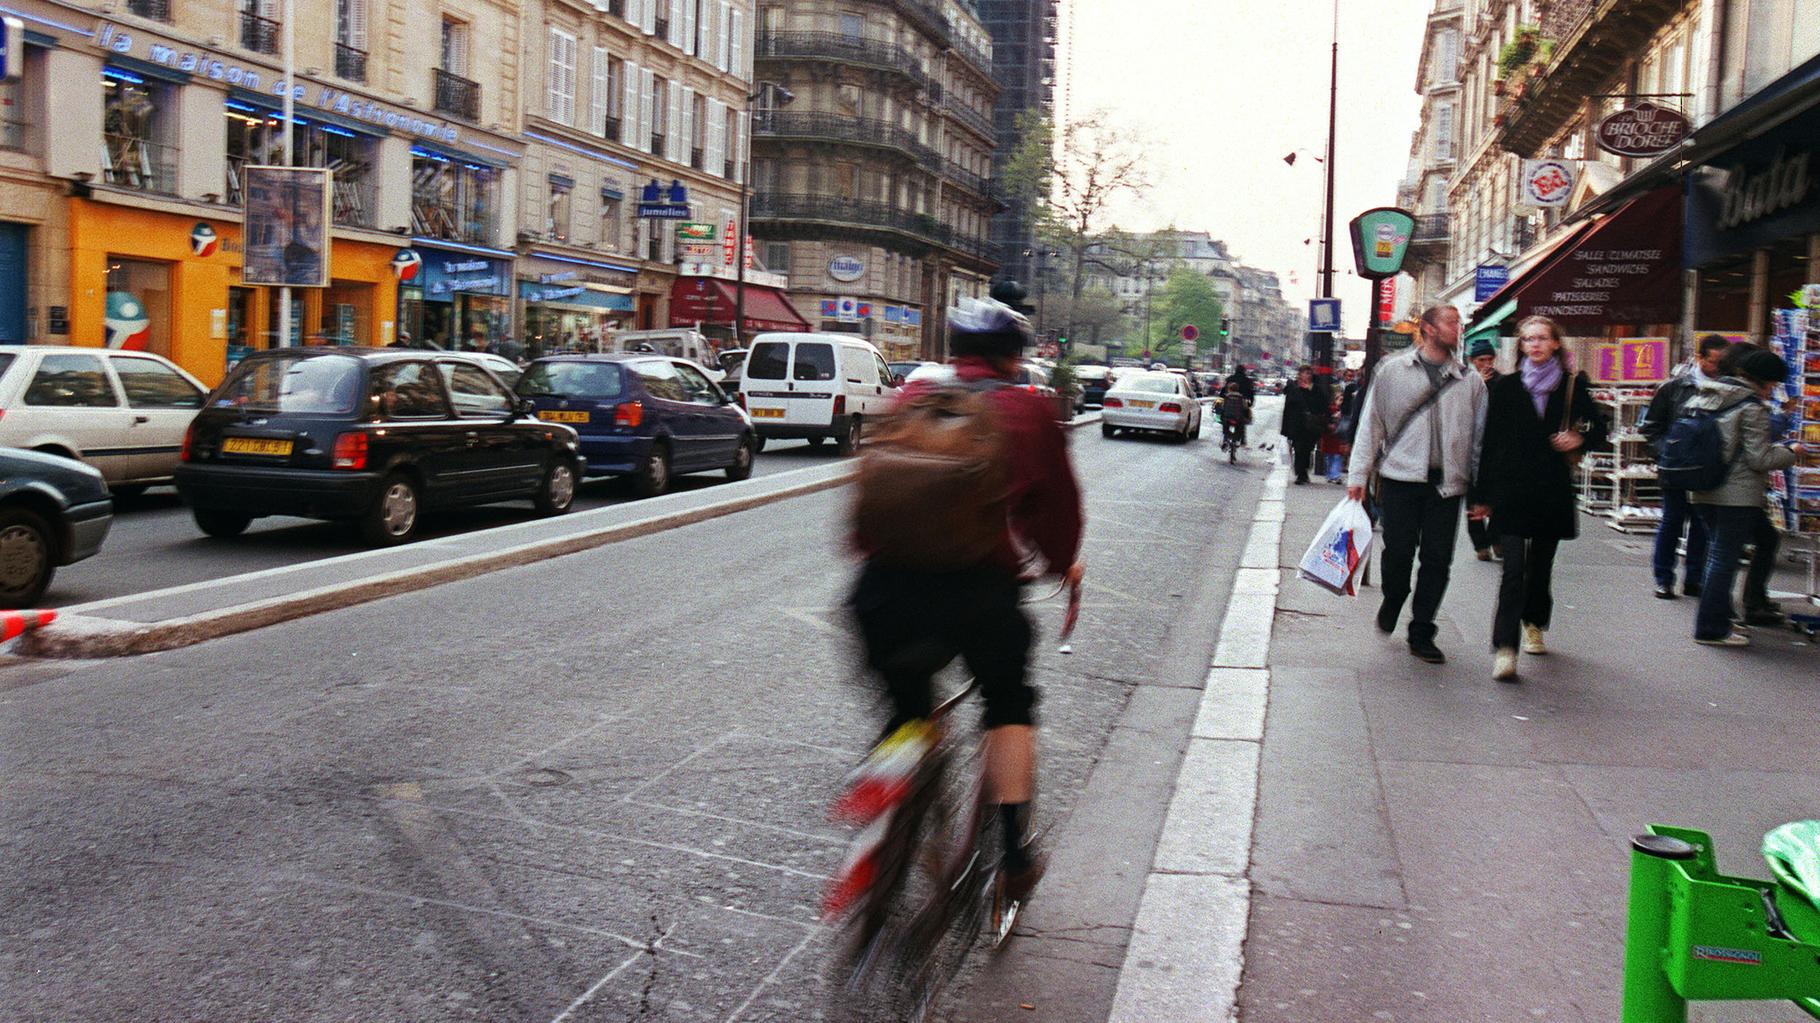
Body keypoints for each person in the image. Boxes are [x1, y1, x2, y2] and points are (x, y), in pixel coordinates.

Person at [847, 296, 1085, 901]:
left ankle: (889, 793)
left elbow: (864, 511)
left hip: (882, 592)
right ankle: (1013, 853)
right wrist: (1062, 566)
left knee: (907, 709)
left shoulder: (911, 402)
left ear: (956, 353)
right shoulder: (1029, 415)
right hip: (978, 593)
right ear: (1014, 358)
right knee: (1009, 703)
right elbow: (1058, 517)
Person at [1346, 304, 1489, 664]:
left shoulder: (1469, 379)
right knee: (1397, 553)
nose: (1459, 329)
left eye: (1459, 323)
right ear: (1427, 328)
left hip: (1447, 484)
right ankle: (1394, 596)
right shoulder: (1393, 371)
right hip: (1400, 478)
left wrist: (1479, 490)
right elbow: (1371, 425)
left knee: (1438, 560)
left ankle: (1422, 630)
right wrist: (1357, 477)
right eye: (1451, 322)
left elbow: (1479, 439)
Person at [1470, 315, 1608, 681]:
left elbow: (1601, 427)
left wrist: (1580, 440)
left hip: (1551, 489)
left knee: (1540, 566)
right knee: (1512, 569)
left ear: (1555, 344)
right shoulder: (1506, 388)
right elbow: (1489, 445)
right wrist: (1481, 496)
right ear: (1521, 346)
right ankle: (1505, 648)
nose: (1535, 345)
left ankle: (1534, 622)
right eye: (1528, 339)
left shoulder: (1572, 386)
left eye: (1542, 338)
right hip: (1512, 491)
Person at [1685, 346, 1799, 646]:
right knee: (1724, 560)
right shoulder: (1751, 407)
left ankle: (1720, 620)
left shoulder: (1709, 393)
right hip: (1735, 494)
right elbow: (1759, 459)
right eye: (1773, 384)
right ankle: (1711, 628)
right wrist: (1791, 453)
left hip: (1701, 487)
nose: (1772, 390)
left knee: (1717, 556)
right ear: (1765, 381)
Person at [1639, 334, 1729, 600]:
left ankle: (1694, 578)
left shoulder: (1727, 389)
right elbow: (1651, 427)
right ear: (1700, 358)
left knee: (1702, 527)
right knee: (1672, 522)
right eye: (1715, 362)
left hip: (1709, 470)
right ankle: (1663, 579)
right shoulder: (1674, 388)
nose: (1719, 368)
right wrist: (1667, 453)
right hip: (1676, 470)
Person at [1465, 337, 1504, 561]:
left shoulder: (1502, 382)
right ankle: (1480, 544)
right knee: (1474, 499)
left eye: (1490, 359)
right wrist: (1476, 384)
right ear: (1473, 360)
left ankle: (1496, 538)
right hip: (1472, 450)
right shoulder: (1467, 382)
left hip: (1497, 448)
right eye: (1482, 359)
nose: (1487, 363)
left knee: (1499, 497)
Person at [1281, 365, 1325, 484]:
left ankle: (1304, 471)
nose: (1307, 376)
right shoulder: (1294, 389)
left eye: (1309, 373)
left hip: (1311, 425)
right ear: (1300, 375)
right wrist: (1285, 428)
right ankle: (1300, 473)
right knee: (1299, 449)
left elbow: (1322, 406)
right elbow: (1288, 409)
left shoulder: (1316, 389)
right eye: (1305, 373)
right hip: (1297, 424)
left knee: (1307, 449)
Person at [1218, 375, 1252, 450]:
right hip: (1238, 417)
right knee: (1241, 427)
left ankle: (1225, 439)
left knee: (1225, 427)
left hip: (1227, 417)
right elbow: (1245, 407)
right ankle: (1241, 440)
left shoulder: (1226, 397)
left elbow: (1223, 407)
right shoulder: (1241, 398)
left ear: (1229, 389)